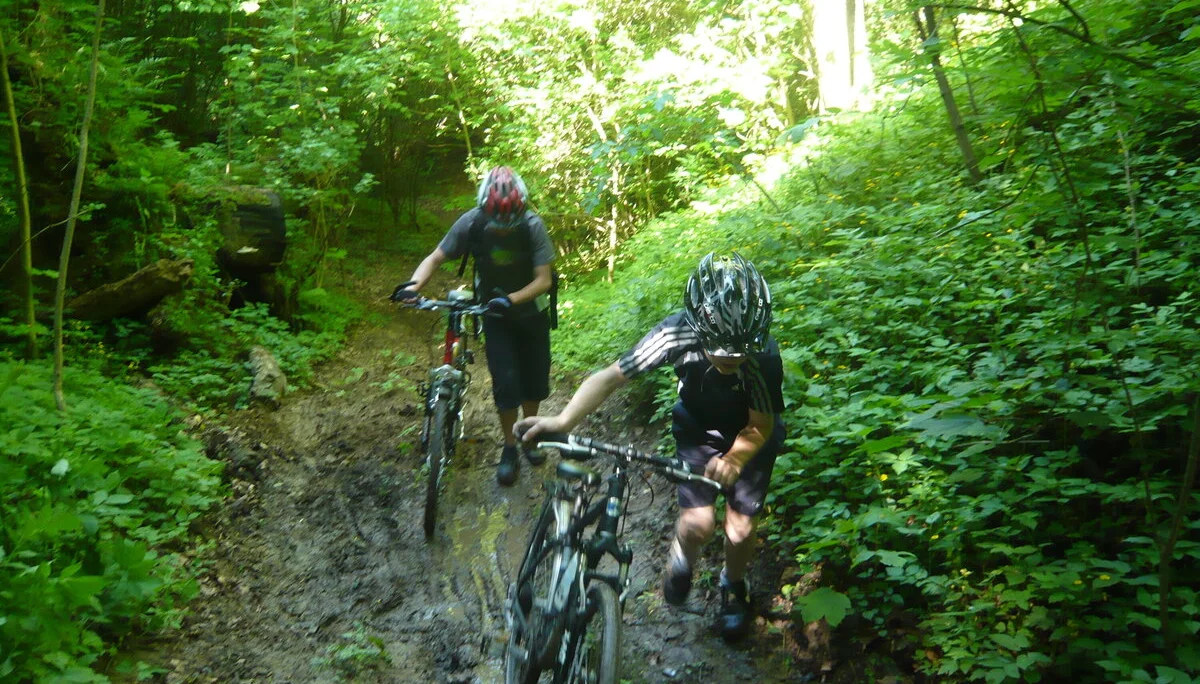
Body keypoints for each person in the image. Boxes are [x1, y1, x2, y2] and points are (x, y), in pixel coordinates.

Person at [516, 252, 785, 642]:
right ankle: (682, 556)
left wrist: (735, 458)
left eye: (739, 351)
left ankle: (733, 586)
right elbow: (611, 378)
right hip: (697, 427)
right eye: (722, 349)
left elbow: (761, 425)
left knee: (740, 529)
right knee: (699, 525)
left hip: (749, 436)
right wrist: (562, 421)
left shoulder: (761, 355)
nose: (732, 358)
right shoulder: (676, 333)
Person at [392, 166, 555, 486]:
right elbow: (436, 257)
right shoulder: (472, 222)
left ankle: (529, 436)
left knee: (533, 382)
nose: (505, 228)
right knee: (505, 383)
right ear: (485, 210)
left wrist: (511, 298)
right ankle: (510, 447)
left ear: (521, 209)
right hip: (495, 317)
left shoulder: (534, 226)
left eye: (511, 221)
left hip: (531, 314)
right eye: (499, 221)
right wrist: (413, 287)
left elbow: (544, 280)